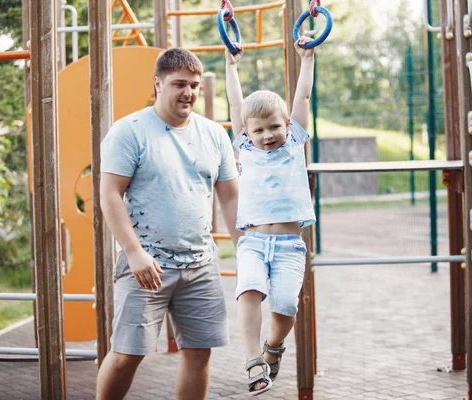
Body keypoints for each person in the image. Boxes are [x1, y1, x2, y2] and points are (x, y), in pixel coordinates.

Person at [96, 47, 240, 400]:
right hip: (146, 265)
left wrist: (247, 253)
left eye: (194, 85)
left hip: (201, 264)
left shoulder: (214, 134)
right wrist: (133, 253)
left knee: (198, 353)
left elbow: (231, 198)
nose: (188, 92)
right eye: (179, 84)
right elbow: (110, 195)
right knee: (127, 355)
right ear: (157, 84)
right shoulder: (128, 131)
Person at [224, 36, 316, 396]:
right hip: (253, 242)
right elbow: (235, 102)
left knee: (285, 306)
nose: (267, 135)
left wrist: (306, 59)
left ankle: (273, 347)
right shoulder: (245, 149)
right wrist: (232, 66)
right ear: (247, 133)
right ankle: (252, 360)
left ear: (287, 125)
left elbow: (303, 98)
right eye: (258, 130)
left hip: (290, 245)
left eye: (274, 127)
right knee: (248, 290)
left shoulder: (294, 145)